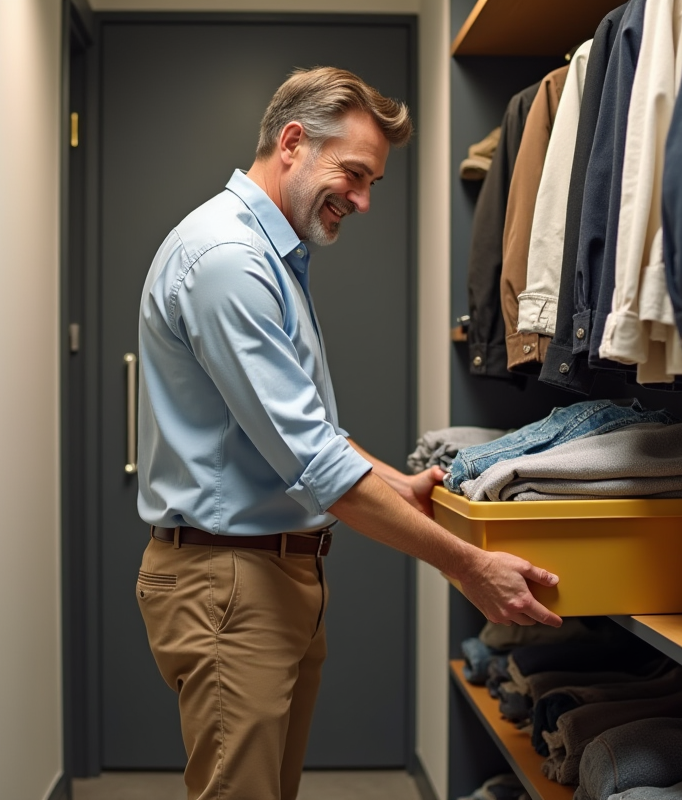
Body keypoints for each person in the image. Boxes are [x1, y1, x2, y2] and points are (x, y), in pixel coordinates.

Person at [135, 67, 561, 800]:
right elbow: (314, 461)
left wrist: (394, 482)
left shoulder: (270, 255)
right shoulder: (229, 262)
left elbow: (305, 427)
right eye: (354, 174)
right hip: (232, 585)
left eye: (372, 184)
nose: (362, 201)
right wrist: (465, 565)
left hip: (272, 574)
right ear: (293, 142)